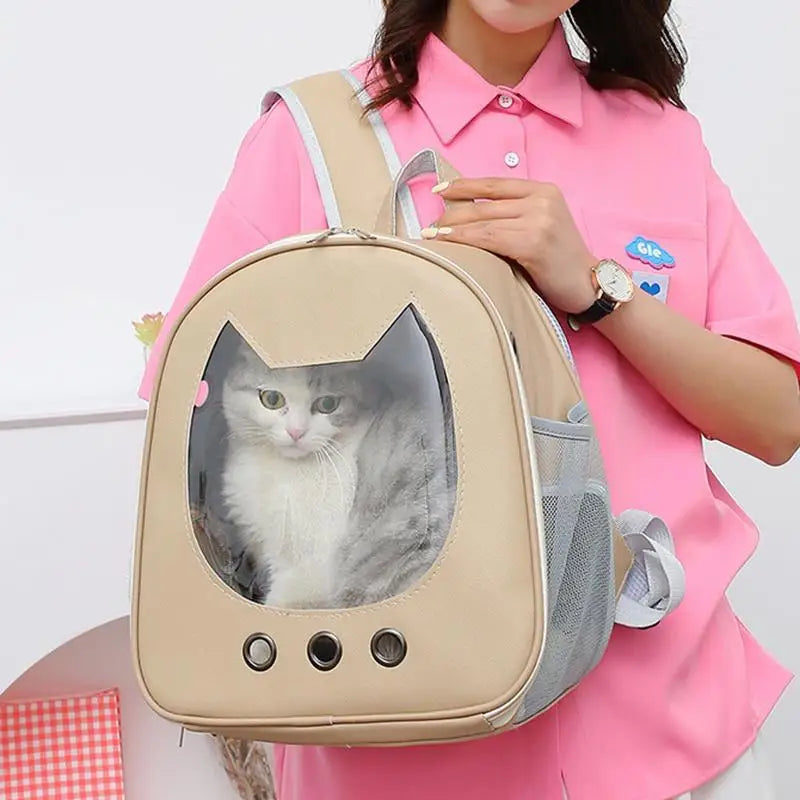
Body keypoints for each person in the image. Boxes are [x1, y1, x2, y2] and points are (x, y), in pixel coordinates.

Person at [138, 1, 800, 798]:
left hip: (678, 738)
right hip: (397, 744)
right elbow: (192, 416)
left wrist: (597, 290)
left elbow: (777, 419)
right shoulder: (314, 138)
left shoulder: (659, 137)